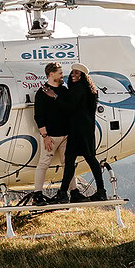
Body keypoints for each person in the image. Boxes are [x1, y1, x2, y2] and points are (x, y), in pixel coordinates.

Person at [54, 62, 108, 203]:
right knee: (90, 159)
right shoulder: (89, 89)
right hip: (86, 129)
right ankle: (101, 191)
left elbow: (69, 107)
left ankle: (63, 193)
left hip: (77, 130)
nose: (73, 75)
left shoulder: (78, 88)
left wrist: (55, 97)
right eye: (72, 72)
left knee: (70, 161)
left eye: (76, 73)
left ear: (82, 76)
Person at [31, 61, 78, 206]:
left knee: (68, 164)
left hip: (66, 136)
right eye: (59, 72)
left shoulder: (64, 90)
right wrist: (45, 136)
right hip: (50, 136)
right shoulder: (42, 93)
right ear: (51, 74)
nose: (62, 74)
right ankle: (37, 194)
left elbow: (70, 109)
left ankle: (74, 191)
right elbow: (38, 116)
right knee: (43, 163)